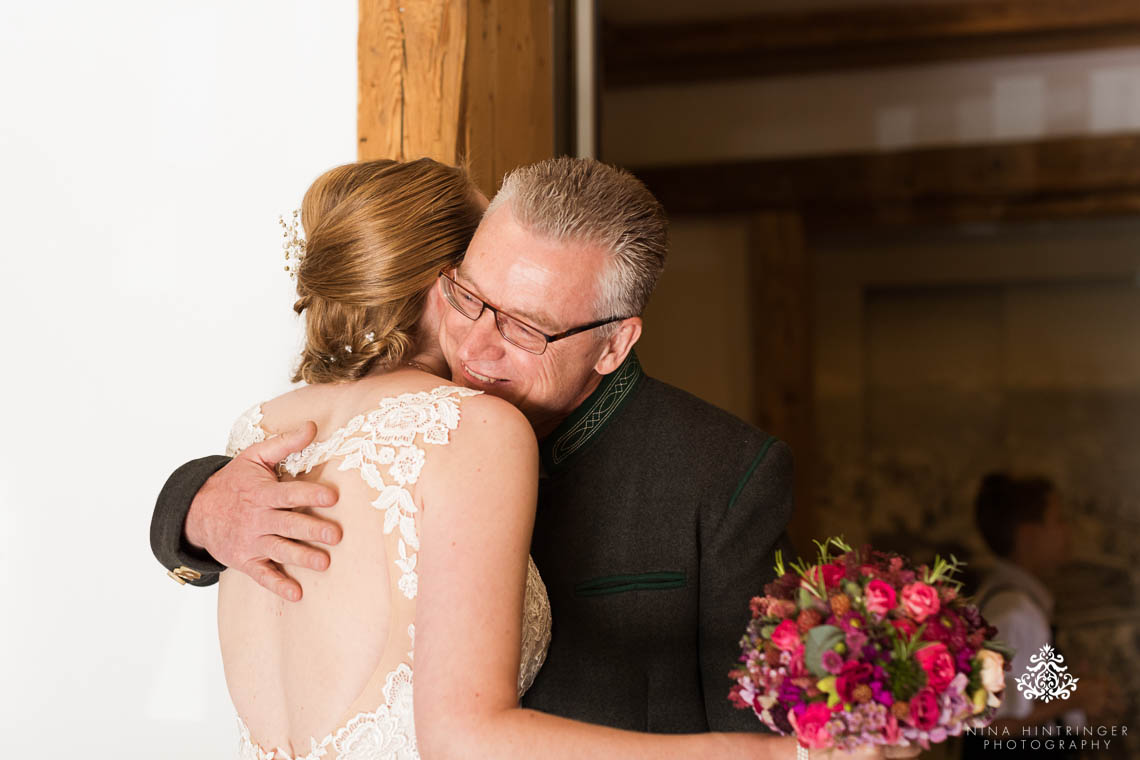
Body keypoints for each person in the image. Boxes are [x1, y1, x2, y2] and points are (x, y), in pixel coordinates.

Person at [153, 158, 807, 742]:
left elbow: (751, 722)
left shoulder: (725, 473)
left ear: (614, 343)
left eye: (525, 328)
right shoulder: (370, 430)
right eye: (468, 298)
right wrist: (196, 506)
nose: (477, 350)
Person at [963, 472, 1113, 758]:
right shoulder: (1014, 613)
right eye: (1058, 520)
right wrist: (1074, 698)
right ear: (1029, 535)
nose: (1068, 530)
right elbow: (995, 725)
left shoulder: (1007, 600)